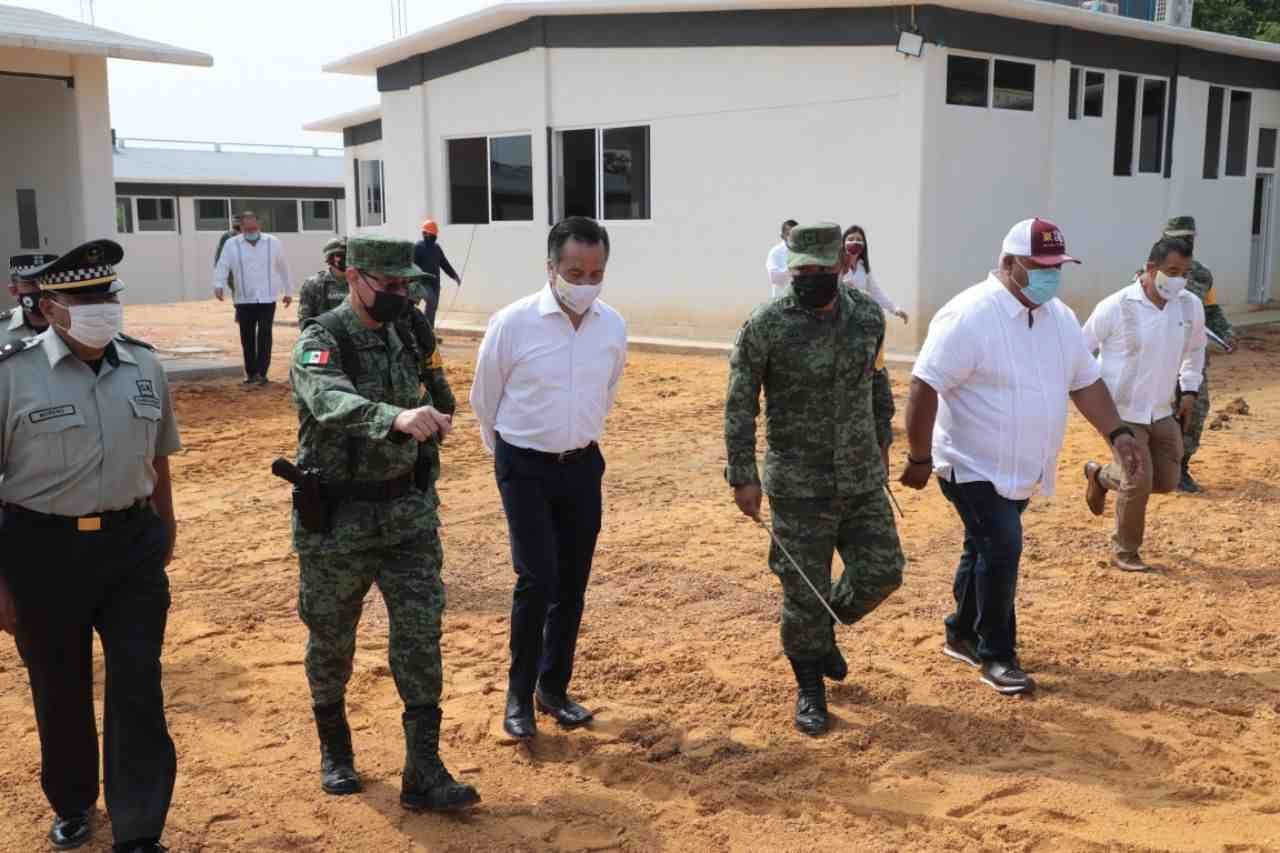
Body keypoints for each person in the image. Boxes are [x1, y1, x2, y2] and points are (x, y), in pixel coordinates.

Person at [900, 218, 1142, 696]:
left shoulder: (1059, 318)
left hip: (1023, 467)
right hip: (968, 463)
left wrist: (1117, 432)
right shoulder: (969, 315)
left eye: (1057, 266)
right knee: (1003, 547)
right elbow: (924, 384)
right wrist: (920, 456)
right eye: (1039, 266)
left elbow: (1085, 381)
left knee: (984, 548)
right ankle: (997, 653)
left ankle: (961, 632)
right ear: (1008, 264)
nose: (1050, 275)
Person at [0, 240, 180, 853]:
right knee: (60, 684)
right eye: (84, 298)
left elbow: (159, 456)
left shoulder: (146, 366)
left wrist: (165, 530)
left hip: (131, 547)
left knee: (138, 682)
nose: (101, 307)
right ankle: (74, 801)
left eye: (106, 295)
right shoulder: (11, 374)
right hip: (41, 551)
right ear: (50, 308)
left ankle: (139, 826)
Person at [289, 234, 477, 813]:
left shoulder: (411, 330)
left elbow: (442, 393)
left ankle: (423, 770)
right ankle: (336, 750)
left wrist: (438, 415)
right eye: (390, 286)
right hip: (337, 521)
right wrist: (396, 417)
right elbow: (328, 401)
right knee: (332, 638)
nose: (402, 296)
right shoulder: (322, 337)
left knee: (421, 637)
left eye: (407, 287)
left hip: (407, 515)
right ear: (355, 278)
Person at [725, 222, 904, 736]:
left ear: (841, 267)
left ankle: (822, 628)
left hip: (861, 476)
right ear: (791, 270)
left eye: (822, 270)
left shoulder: (867, 317)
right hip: (798, 483)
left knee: (882, 571)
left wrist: (882, 443)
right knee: (801, 592)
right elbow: (740, 403)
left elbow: (877, 384)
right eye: (802, 271)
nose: (812, 279)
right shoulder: (766, 324)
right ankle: (809, 687)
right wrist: (743, 475)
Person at [470, 217, 626, 741]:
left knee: (572, 580)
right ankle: (518, 698)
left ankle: (553, 687)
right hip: (525, 466)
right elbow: (484, 399)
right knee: (537, 578)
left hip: (582, 466)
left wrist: (574, 441)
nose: (584, 282)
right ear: (551, 267)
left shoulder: (613, 326)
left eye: (595, 272)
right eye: (574, 271)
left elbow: (605, 391)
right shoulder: (512, 323)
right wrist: (511, 458)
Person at [1081, 238, 1205, 572]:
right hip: (1121, 412)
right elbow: (1080, 350)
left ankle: (1101, 477)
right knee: (1138, 478)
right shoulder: (1116, 305)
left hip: (1162, 409)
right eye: (1172, 271)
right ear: (1151, 269)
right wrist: (1094, 399)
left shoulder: (1190, 306)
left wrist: (1189, 389)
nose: (1179, 280)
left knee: (1166, 480)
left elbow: (1195, 351)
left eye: (1186, 273)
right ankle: (1125, 551)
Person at [1161, 216, 1237, 493]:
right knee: (1160, 412)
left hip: (1194, 355)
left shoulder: (1203, 275)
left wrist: (1226, 333)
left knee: (1195, 409)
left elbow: (1212, 311)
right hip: (1159, 357)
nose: (1185, 242)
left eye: (1189, 237)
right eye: (1178, 237)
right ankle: (1155, 465)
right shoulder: (1152, 271)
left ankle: (1181, 467)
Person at [213, 211, 292, 385]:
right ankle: (251, 374)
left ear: (259, 225)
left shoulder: (273, 242)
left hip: (267, 297)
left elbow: (283, 267)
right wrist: (218, 285)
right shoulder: (231, 244)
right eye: (247, 228)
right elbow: (222, 265)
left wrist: (288, 291)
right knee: (246, 337)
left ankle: (262, 374)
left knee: (265, 334)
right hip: (243, 298)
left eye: (254, 227)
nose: (251, 230)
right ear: (240, 227)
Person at [841, 226, 909, 324]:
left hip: (859, 318)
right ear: (843, 243)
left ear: (864, 245)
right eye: (851, 239)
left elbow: (876, 292)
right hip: (840, 319)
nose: (855, 242)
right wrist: (842, 285)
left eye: (859, 240)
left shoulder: (863, 268)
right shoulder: (836, 265)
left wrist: (895, 309)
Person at [412, 219, 461, 330]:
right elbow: (413, 266)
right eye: (432, 233)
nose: (434, 235)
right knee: (431, 301)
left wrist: (455, 276)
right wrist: (413, 282)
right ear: (426, 234)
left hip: (435, 284)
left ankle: (429, 332)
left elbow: (444, 264)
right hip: (423, 283)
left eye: (434, 233)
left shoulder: (436, 248)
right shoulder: (418, 247)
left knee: (433, 307)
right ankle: (425, 331)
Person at [4, 252, 57, 344]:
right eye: (32, 283)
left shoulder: (78, 325)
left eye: (48, 281)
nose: (42, 288)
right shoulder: (2, 330)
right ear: (14, 290)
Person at [297, 237, 349, 325]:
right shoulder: (313, 284)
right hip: (323, 335)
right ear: (329, 258)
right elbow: (305, 319)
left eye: (348, 254)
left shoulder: (362, 282)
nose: (346, 258)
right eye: (341, 255)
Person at [766, 219, 798, 299]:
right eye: (788, 234)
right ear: (782, 236)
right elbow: (774, 277)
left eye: (795, 234)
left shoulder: (805, 251)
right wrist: (795, 270)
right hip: (781, 302)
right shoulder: (775, 252)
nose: (792, 237)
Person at [213, 214, 241, 295]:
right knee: (237, 290)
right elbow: (220, 255)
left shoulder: (248, 235)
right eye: (235, 221)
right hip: (233, 270)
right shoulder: (227, 236)